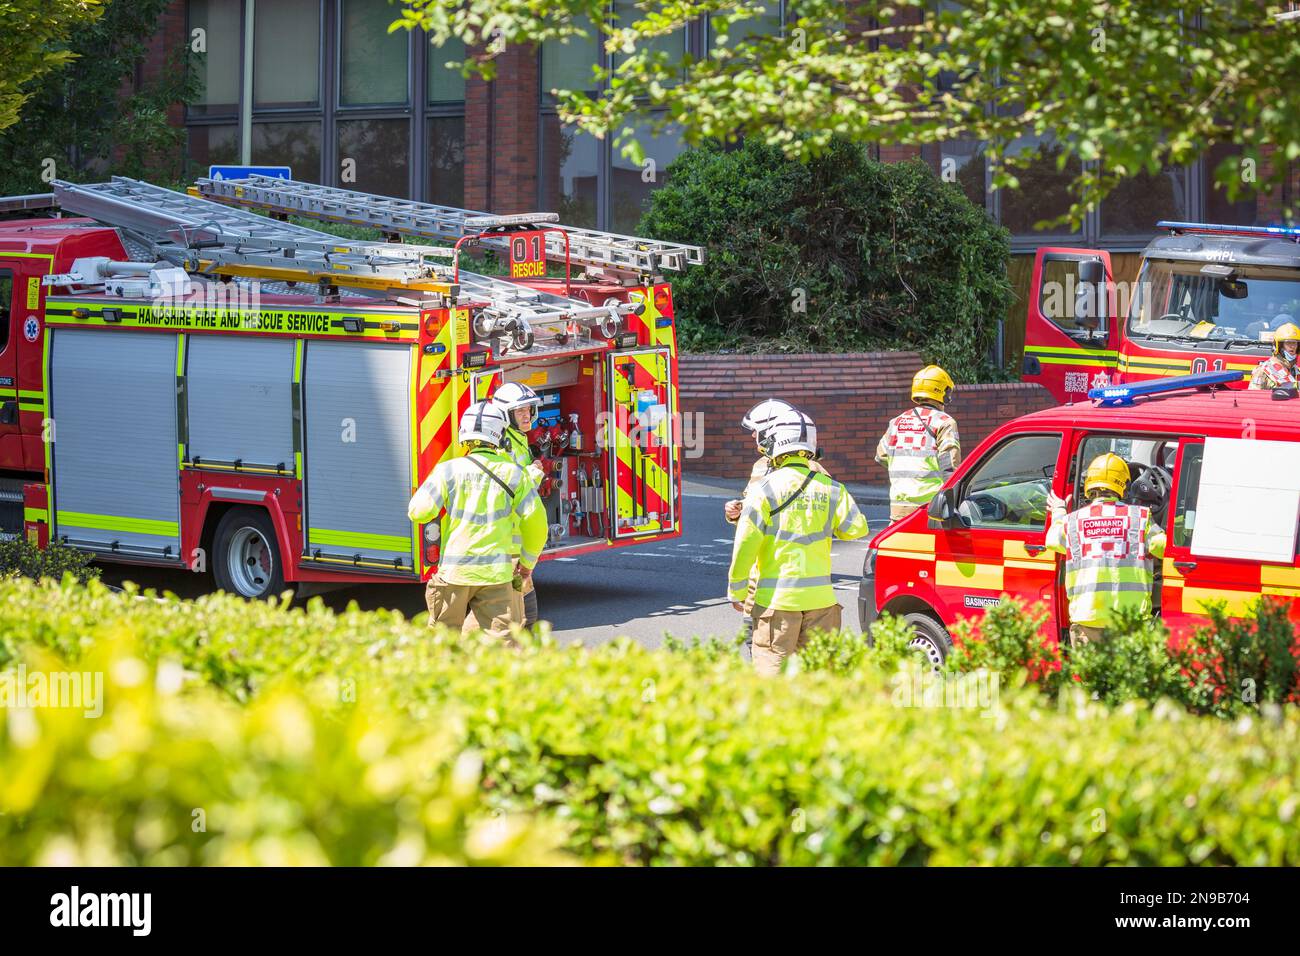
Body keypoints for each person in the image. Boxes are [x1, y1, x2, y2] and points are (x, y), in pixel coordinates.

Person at [727, 409, 870, 675]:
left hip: (777, 604)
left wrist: (736, 590)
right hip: (822, 603)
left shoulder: (765, 488)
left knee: (775, 687)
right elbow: (857, 529)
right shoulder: (832, 487)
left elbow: (745, 545)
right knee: (817, 680)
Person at [407, 401, 546, 644]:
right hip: (497, 575)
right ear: (500, 435)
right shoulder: (515, 474)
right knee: (501, 647)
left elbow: (419, 511)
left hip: (454, 573)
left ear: (464, 435)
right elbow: (537, 525)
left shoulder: (447, 471)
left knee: (442, 646)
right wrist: (526, 564)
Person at [723, 399, 828, 658]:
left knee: (785, 653)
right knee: (755, 641)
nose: (752, 437)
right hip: (757, 579)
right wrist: (735, 513)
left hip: (790, 583)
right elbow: (754, 513)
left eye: (757, 431)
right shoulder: (761, 467)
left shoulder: (813, 470)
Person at [1044, 452, 1167, 647]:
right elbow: (1163, 548)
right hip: (1129, 625)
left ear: (1089, 484)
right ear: (1124, 487)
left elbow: (1052, 541)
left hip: (1087, 623)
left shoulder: (1073, 521)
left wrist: (1059, 511)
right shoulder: (1140, 517)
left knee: (1090, 677)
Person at [489, 382, 547, 628]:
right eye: (519, 411)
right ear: (506, 414)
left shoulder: (518, 439)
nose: (526, 415)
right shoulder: (503, 443)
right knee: (511, 615)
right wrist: (533, 474)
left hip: (517, 539)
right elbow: (508, 485)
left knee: (524, 613)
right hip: (506, 543)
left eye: (528, 409)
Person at [876, 365, 961, 521]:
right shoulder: (944, 422)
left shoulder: (896, 422)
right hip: (929, 509)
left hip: (898, 508)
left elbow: (881, 456)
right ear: (942, 392)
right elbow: (949, 466)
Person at [1249, 320, 1300, 390]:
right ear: (1279, 346)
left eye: (1295, 343)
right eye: (1288, 343)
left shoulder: (1296, 370)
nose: (1292, 346)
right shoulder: (1263, 371)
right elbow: (1254, 397)